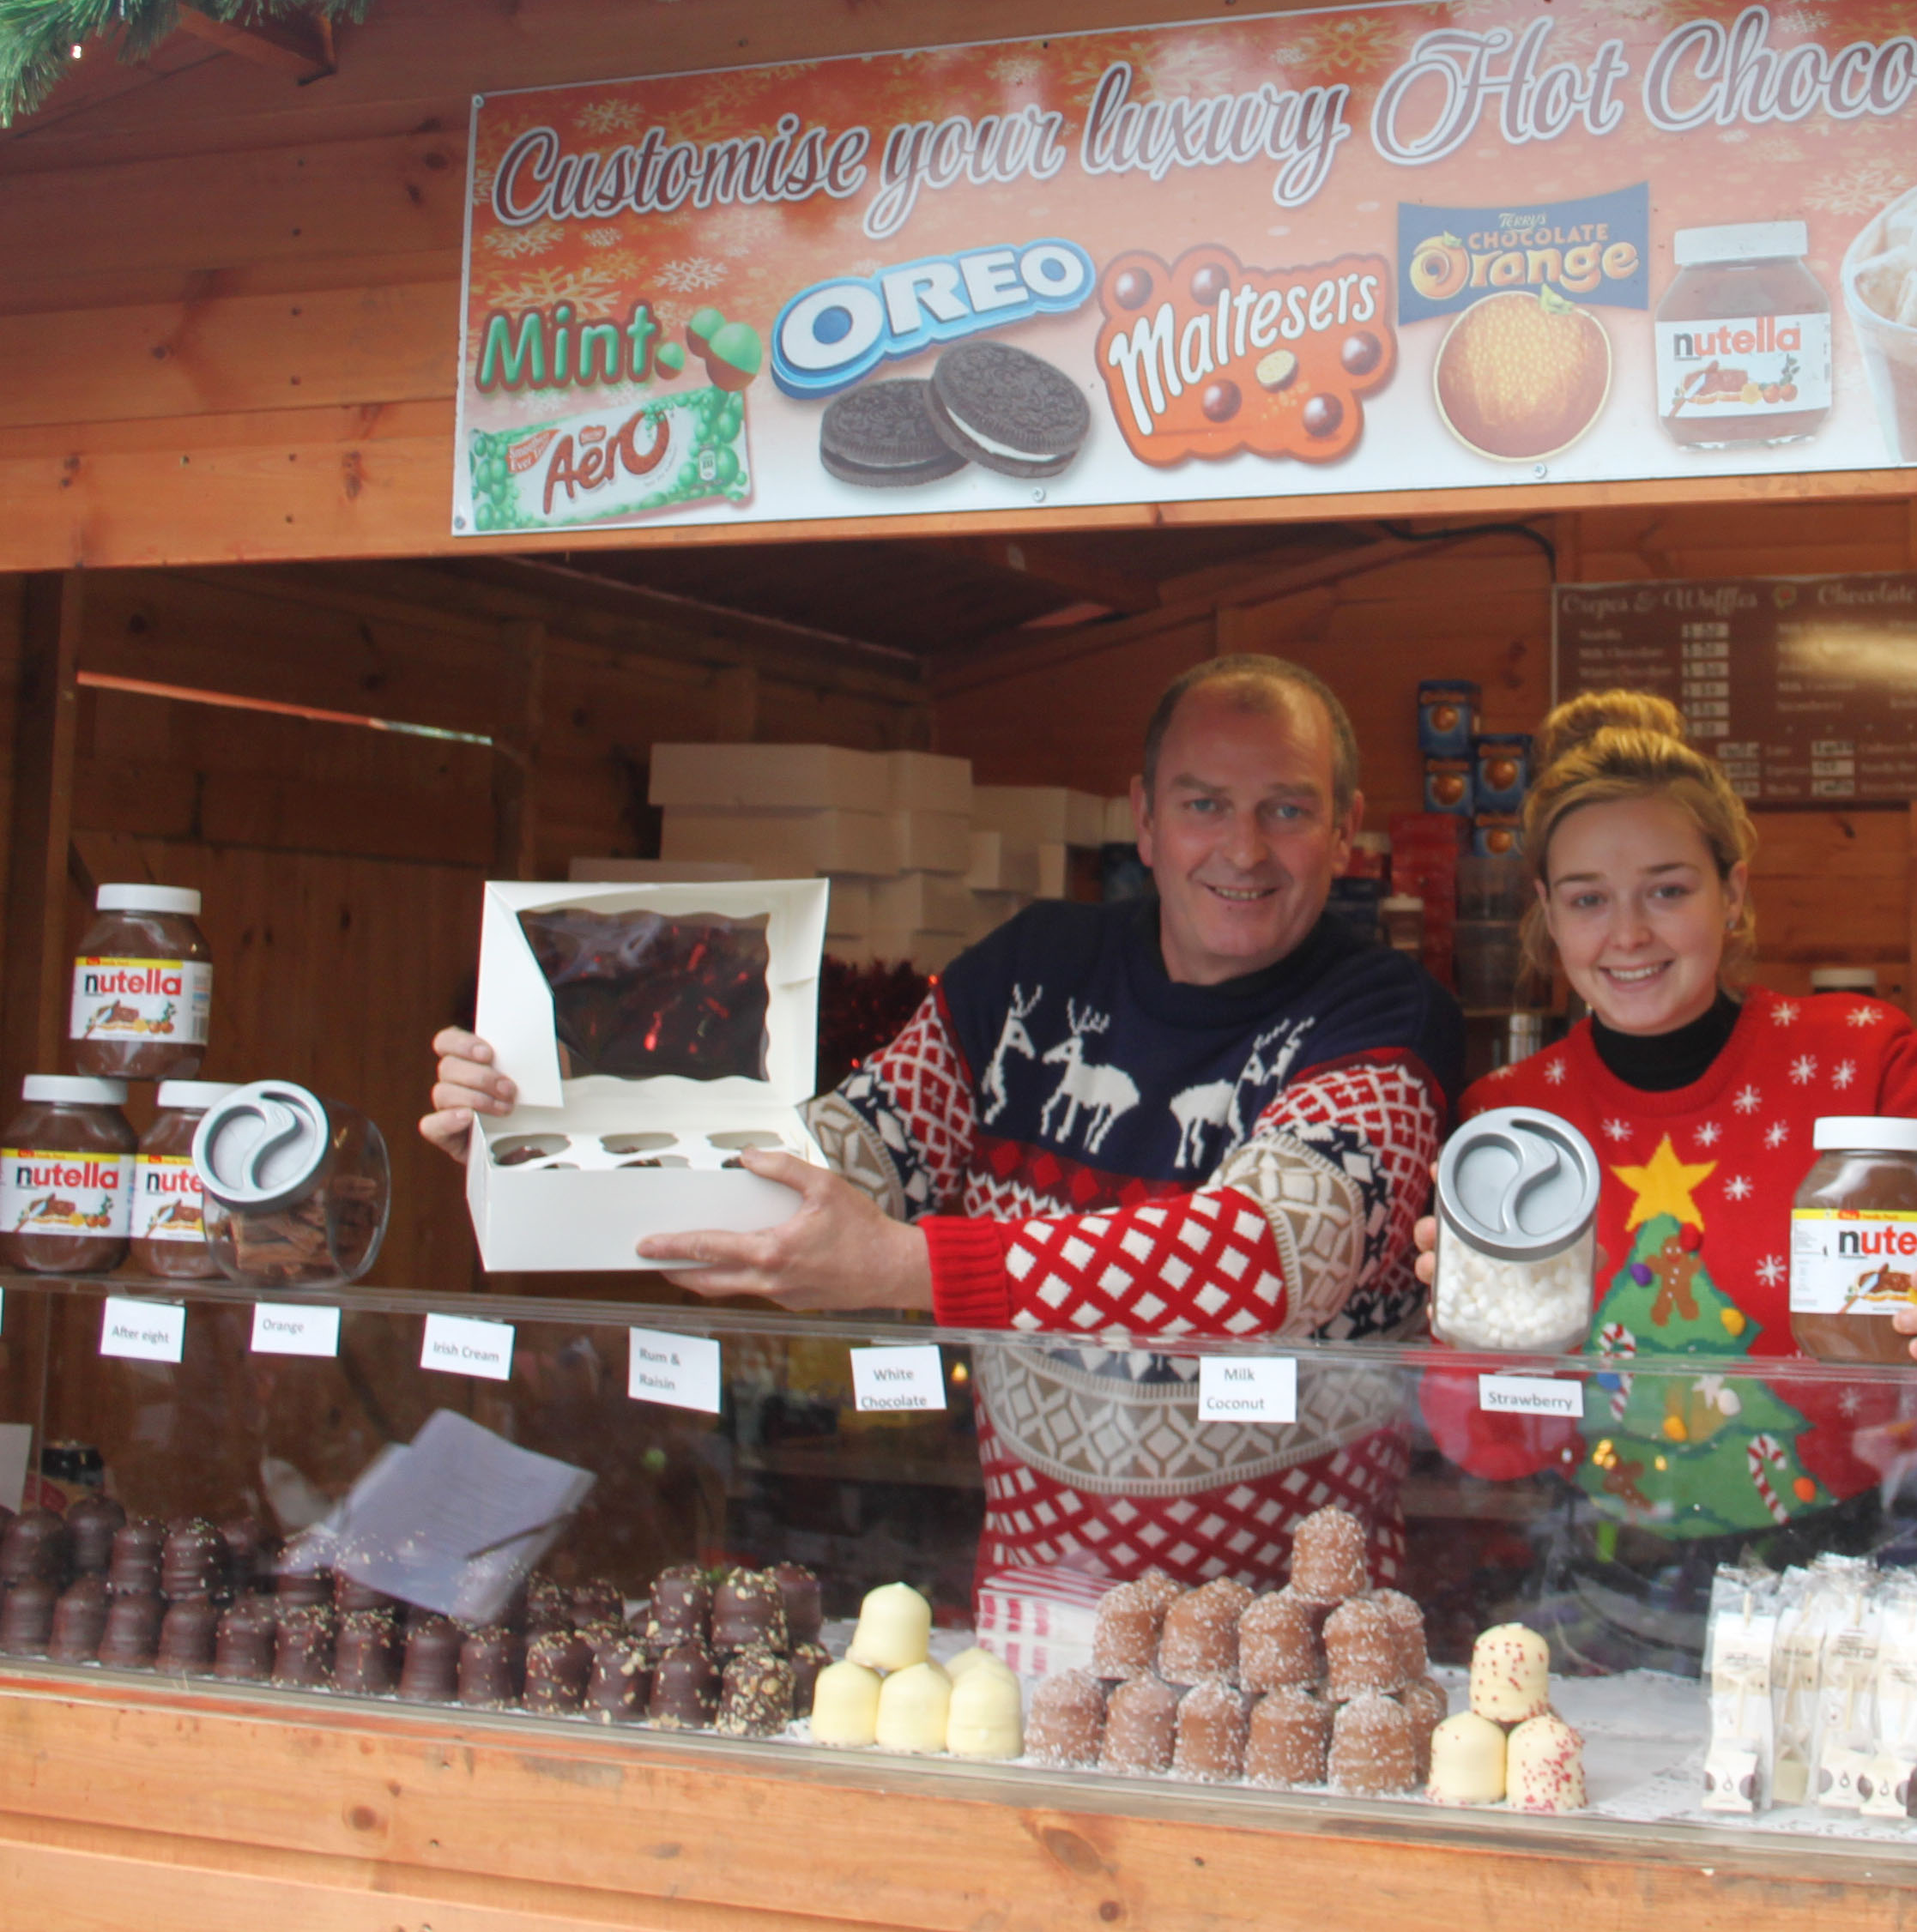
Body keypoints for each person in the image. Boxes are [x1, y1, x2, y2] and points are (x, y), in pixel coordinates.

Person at [422, 652, 1462, 1593]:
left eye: (1286, 808)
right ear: (1145, 816)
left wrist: (906, 1268)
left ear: (1343, 827)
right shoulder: (1030, 971)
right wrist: (545, 1144)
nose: (1243, 847)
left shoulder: (1384, 1017)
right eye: (1204, 803)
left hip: (1306, 1652)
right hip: (1032, 1623)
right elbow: (829, 1162)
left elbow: (1262, 1258)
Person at [1420, 688, 1917, 1666]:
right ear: (1548, 915)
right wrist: (1469, 1329)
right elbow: (1488, 1447)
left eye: (1668, 889)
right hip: (1612, 1598)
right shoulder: (1514, 1125)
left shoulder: (1863, 1057)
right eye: (1589, 897)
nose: (1628, 932)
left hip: (1872, 1581)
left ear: (1734, 890)